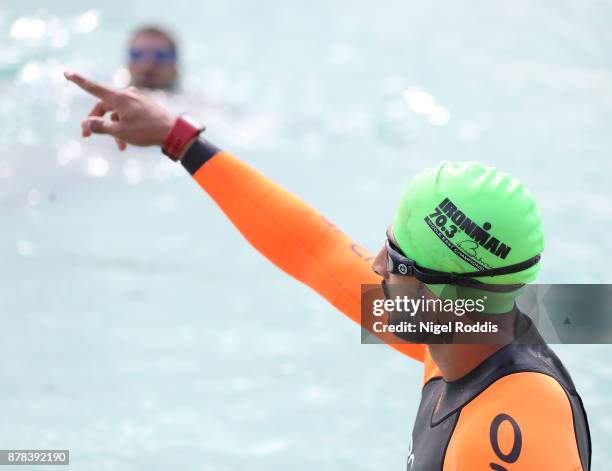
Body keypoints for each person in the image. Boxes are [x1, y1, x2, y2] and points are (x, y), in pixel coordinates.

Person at [63, 71, 591, 470]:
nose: (378, 265)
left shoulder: (512, 430)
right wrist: (179, 138)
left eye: (397, 259)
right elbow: (315, 249)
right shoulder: (466, 331)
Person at [127, 26, 178, 90]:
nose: (148, 64)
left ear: (174, 65)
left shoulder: (188, 98)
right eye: (138, 55)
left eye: (160, 55)